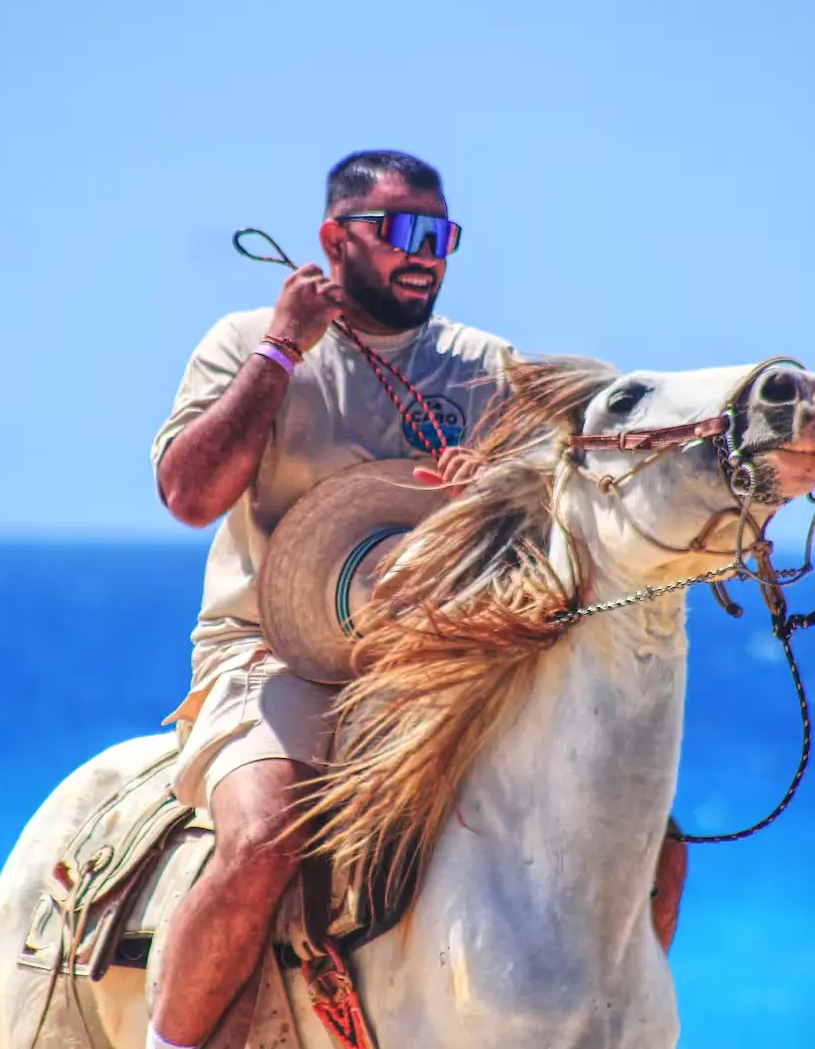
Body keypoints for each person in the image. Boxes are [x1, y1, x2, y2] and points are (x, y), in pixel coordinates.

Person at [146, 150, 684, 1049]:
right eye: (401, 231)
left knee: (648, 845)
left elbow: (565, 511)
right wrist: (283, 349)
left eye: (440, 235)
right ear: (334, 239)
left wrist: (503, 483)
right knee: (266, 844)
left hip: (441, 664)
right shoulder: (244, 341)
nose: (425, 252)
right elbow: (188, 496)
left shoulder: (483, 366)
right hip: (270, 653)